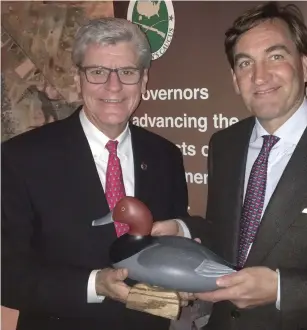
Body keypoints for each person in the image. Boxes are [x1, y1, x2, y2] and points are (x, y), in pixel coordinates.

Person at [151, 2, 307, 330]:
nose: (259, 76)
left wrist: (282, 289)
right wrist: (186, 230)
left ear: (306, 65)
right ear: (235, 79)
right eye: (245, 63)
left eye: (275, 56)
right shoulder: (225, 144)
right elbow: (234, 234)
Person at [2, 17, 189, 330]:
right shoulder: (21, 157)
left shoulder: (165, 155)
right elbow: (6, 274)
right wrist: (94, 285)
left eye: (127, 72)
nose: (112, 86)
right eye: (97, 72)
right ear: (78, 80)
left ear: (143, 82)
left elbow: (171, 242)